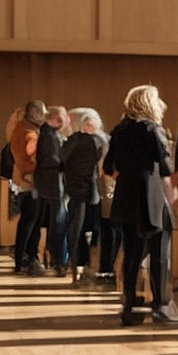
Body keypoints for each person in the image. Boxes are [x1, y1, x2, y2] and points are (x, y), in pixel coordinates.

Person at [104, 86, 178, 326]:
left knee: (132, 253)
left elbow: (108, 166)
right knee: (159, 252)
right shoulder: (151, 129)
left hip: (126, 195)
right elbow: (165, 167)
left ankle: (128, 306)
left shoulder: (119, 131)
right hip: (151, 195)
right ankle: (159, 306)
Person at [63, 109, 108, 289]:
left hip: (83, 193)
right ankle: (81, 267)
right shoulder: (98, 141)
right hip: (86, 194)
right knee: (82, 231)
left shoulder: (74, 141)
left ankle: (82, 267)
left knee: (82, 231)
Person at [8, 100, 45, 275]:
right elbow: (32, 156)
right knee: (31, 223)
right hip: (30, 181)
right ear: (35, 113)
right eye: (42, 113)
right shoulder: (29, 132)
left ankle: (23, 257)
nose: (44, 117)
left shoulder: (19, 128)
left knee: (28, 222)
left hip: (21, 180)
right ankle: (27, 257)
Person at [35, 106, 70, 274]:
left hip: (50, 185)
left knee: (54, 224)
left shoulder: (47, 134)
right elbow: (52, 160)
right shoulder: (49, 136)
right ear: (56, 118)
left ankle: (56, 259)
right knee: (58, 224)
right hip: (54, 186)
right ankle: (59, 261)